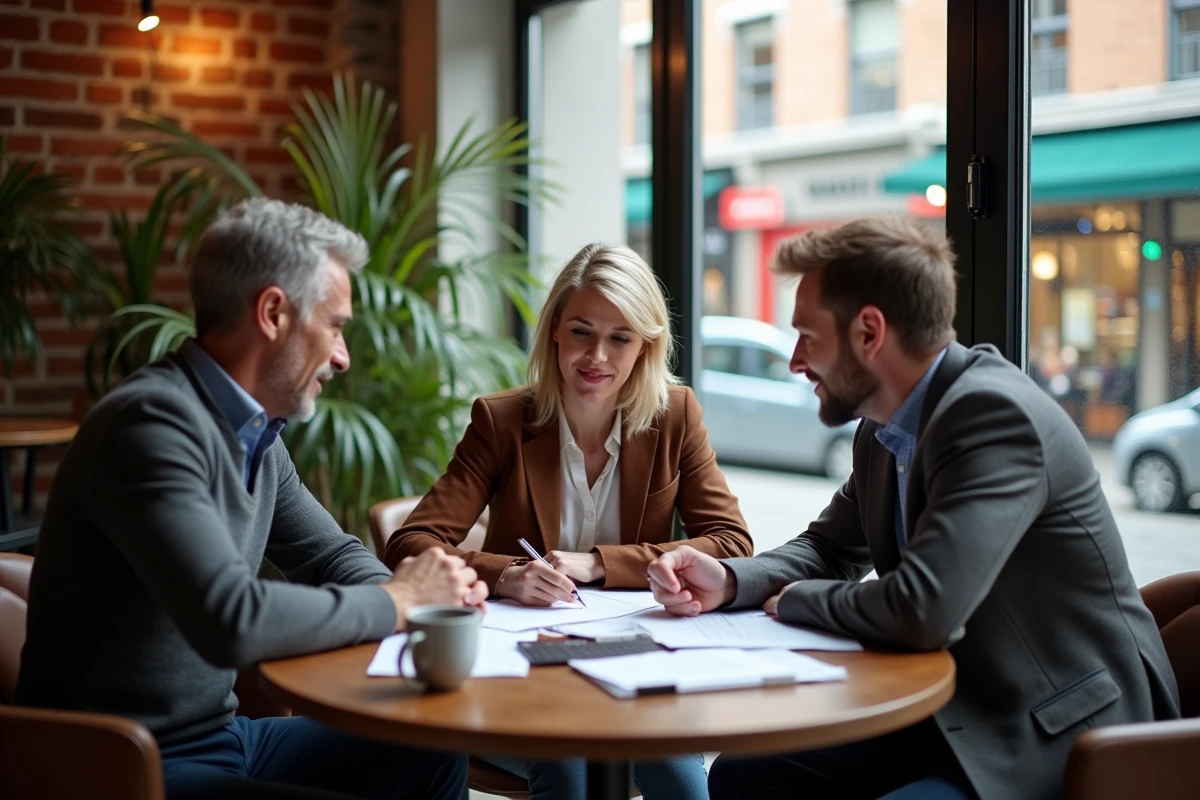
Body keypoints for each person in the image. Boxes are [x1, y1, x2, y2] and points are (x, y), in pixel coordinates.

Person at [645, 216, 1180, 800]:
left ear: (869, 333)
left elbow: (924, 609)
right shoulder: (883, 428)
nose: (796, 360)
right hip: (957, 704)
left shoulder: (995, 418)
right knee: (743, 775)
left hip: (1060, 727)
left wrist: (796, 599)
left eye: (808, 337)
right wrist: (729, 580)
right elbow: (828, 547)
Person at [18, 199, 485, 800]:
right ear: (273, 313)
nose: (342, 356)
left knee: (430, 753)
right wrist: (397, 600)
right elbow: (231, 619)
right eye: (336, 325)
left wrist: (430, 601)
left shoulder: (256, 437)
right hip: (116, 765)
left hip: (218, 739)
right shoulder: (149, 427)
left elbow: (331, 556)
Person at [385, 242, 753, 800]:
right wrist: (506, 575)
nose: (596, 356)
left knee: (680, 775)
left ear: (645, 346)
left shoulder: (675, 417)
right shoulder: (502, 421)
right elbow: (411, 543)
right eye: (582, 331)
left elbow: (733, 544)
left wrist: (601, 565)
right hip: (523, 667)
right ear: (555, 329)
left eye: (620, 338)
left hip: (636, 660)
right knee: (567, 765)